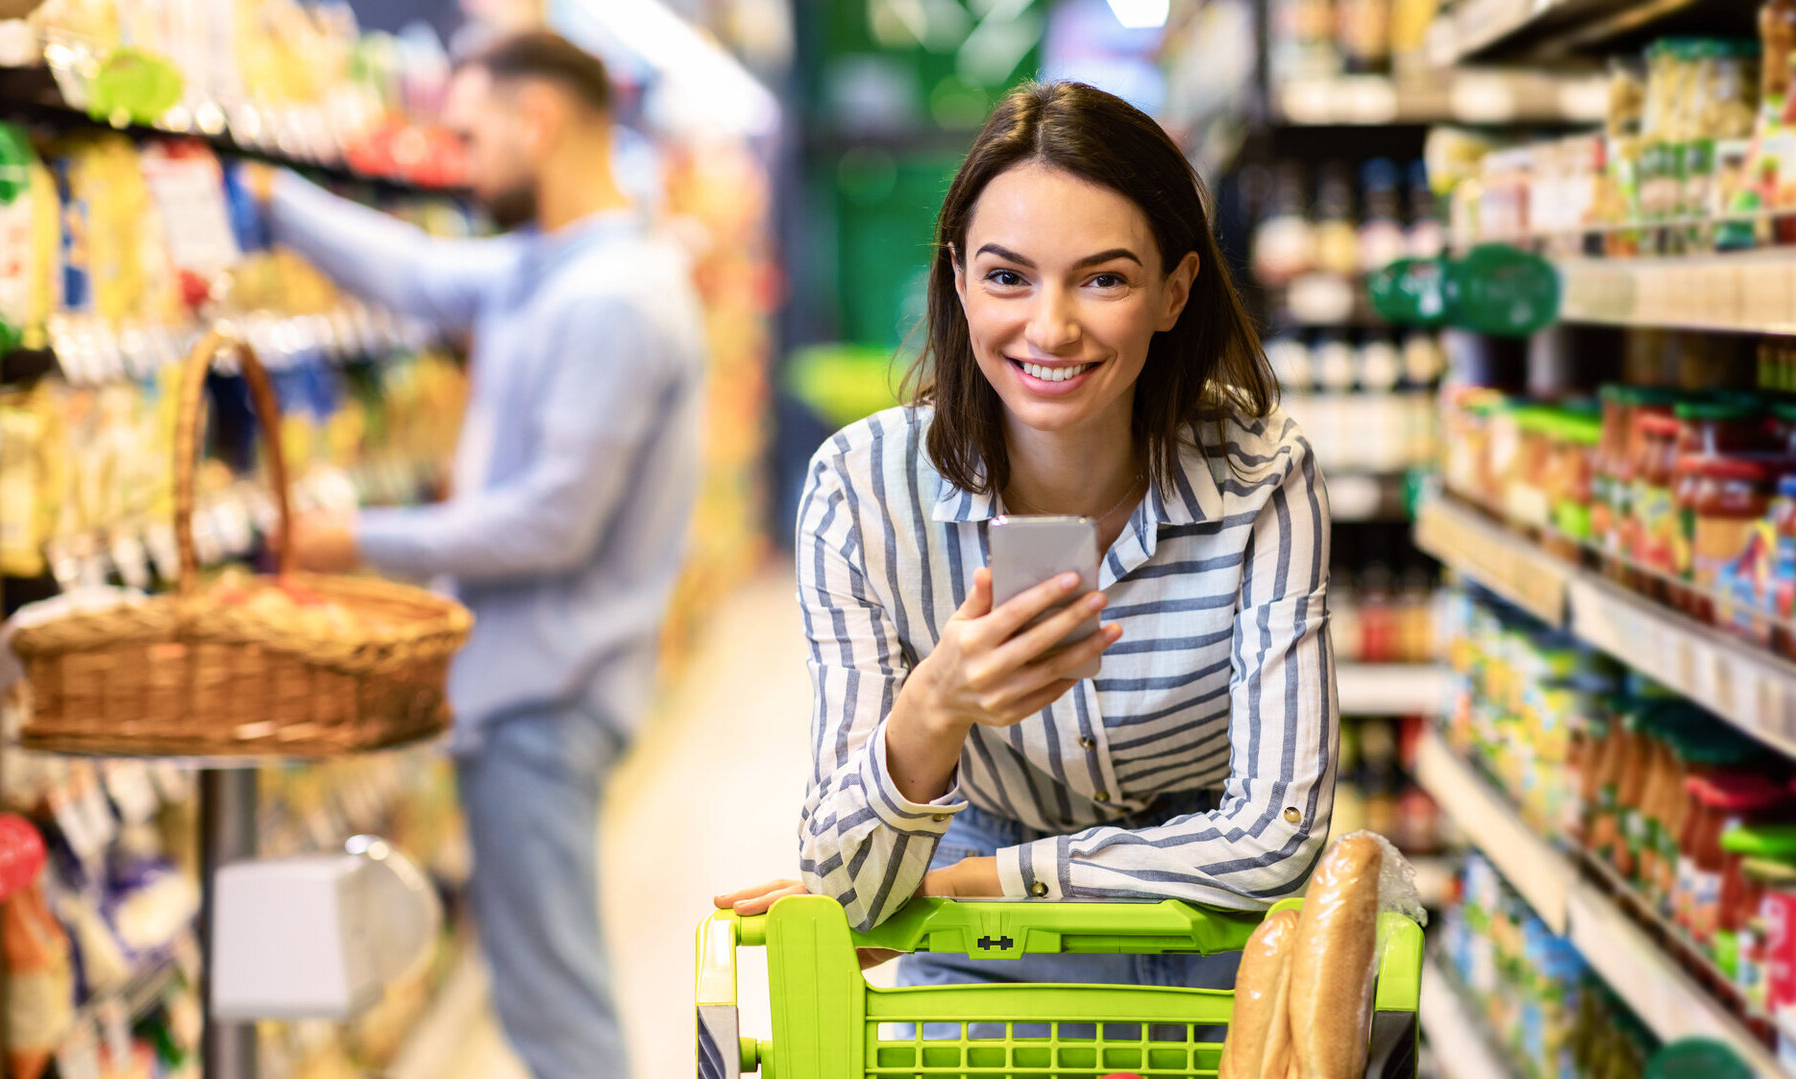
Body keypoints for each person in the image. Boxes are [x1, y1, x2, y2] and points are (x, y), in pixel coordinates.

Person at [717, 79, 1334, 994]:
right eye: (1008, 276)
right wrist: (936, 704)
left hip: (1212, 925)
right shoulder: (862, 493)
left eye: (1105, 277)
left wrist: (977, 881)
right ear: (958, 278)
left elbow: (1277, 837)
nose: (1052, 327)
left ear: (1174, 290)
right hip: (975, 939)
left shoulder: (1262, 477)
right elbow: (847, 891)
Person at [246, 32, 704, 1079]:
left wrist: (357, 541)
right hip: (524, 689)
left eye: (472, 131)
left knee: (555, 1009)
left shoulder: (613, 300)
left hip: (550, 699)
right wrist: (272, 196)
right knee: (537, 986)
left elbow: (553, 523)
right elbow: (415, 273)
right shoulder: (548, 266)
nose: (459, 156)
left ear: (535, 122)